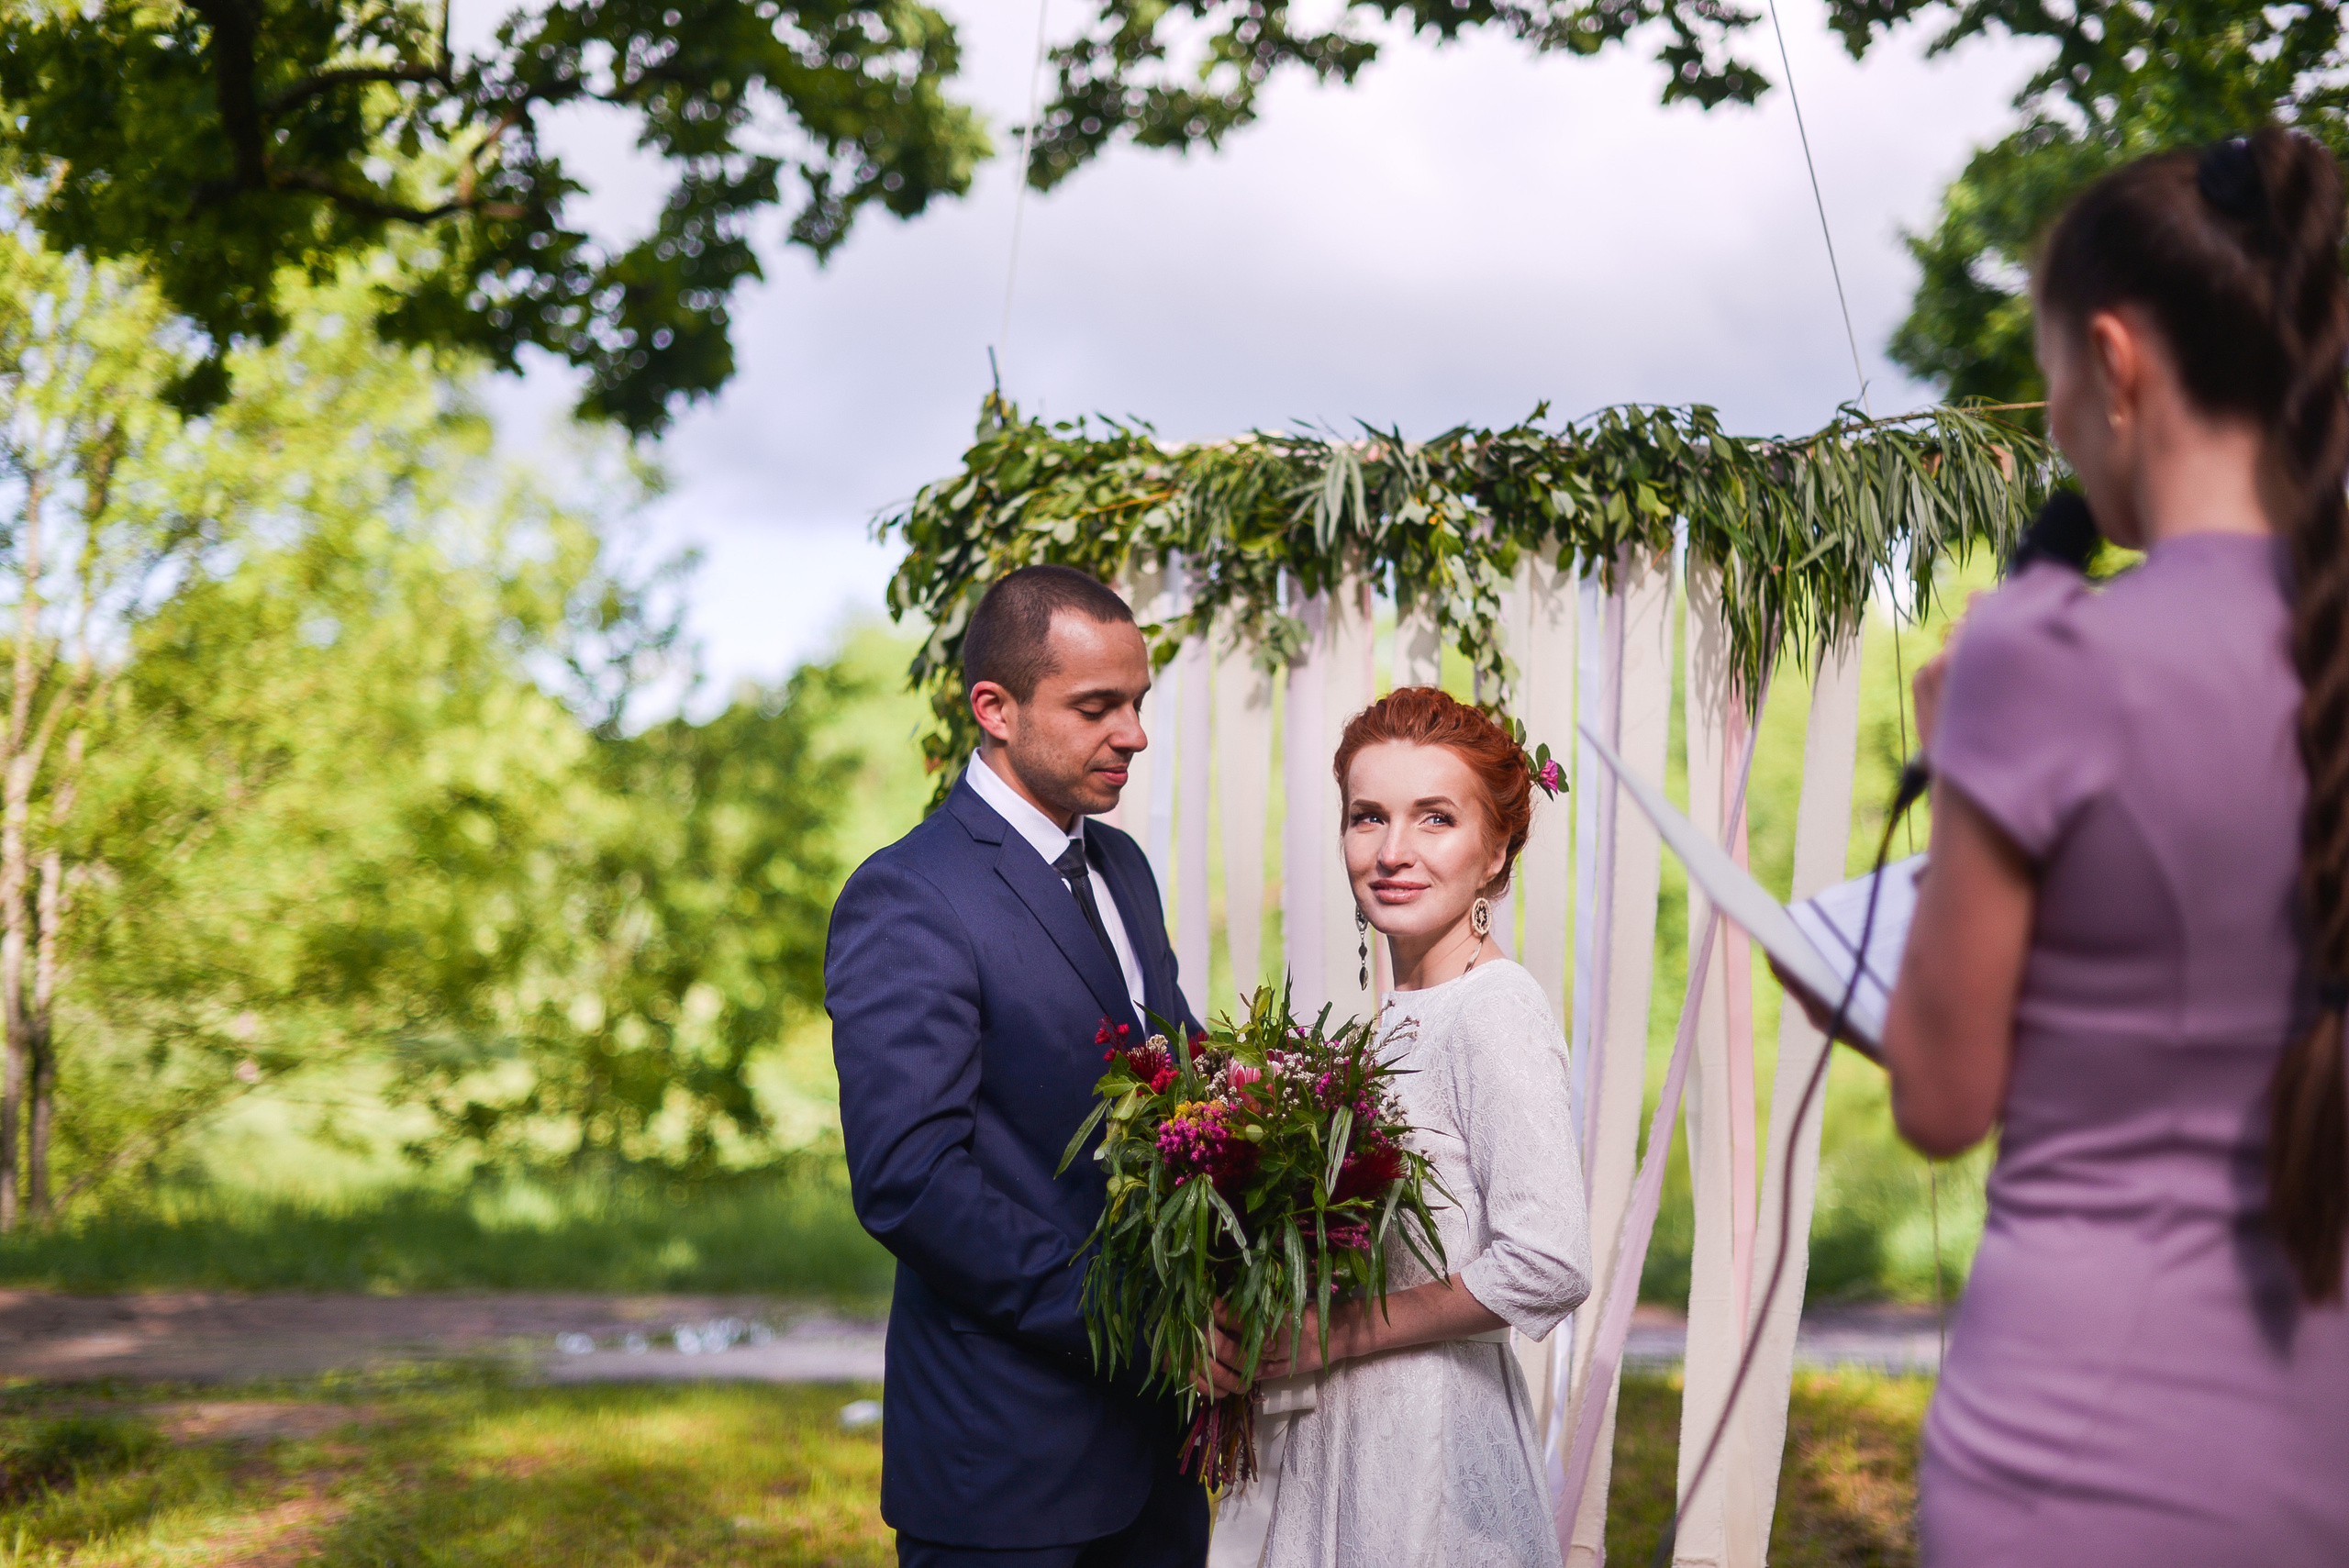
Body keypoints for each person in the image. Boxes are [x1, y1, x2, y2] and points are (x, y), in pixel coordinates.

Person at [1787, 128, 2349, 1564]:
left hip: (2088, 1449)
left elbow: (1941, 1098)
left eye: (2047, 379)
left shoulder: (2042, 660)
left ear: (2114, 362)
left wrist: (1960, 751)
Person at [826, 564, 1208, 1568]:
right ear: (991, 707)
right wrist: (1137, 1325)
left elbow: (1178, 1090)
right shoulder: (908, 895)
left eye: (1137, 703)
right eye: (1096, 706)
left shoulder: (1122, 867)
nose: (1132, 733)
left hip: (1156, 1465)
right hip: (1001, 1470)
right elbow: (911, 1182)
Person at [1208, 685, 1591, 1568]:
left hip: (1429, 1451)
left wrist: (1329, 1333)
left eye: (1435, 819)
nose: (1392, 851)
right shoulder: (1390, 1019)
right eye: (1367, 817)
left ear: (1497, 852)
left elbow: (1549, 1257)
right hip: (1335, 1433)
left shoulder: (1494, 1009)